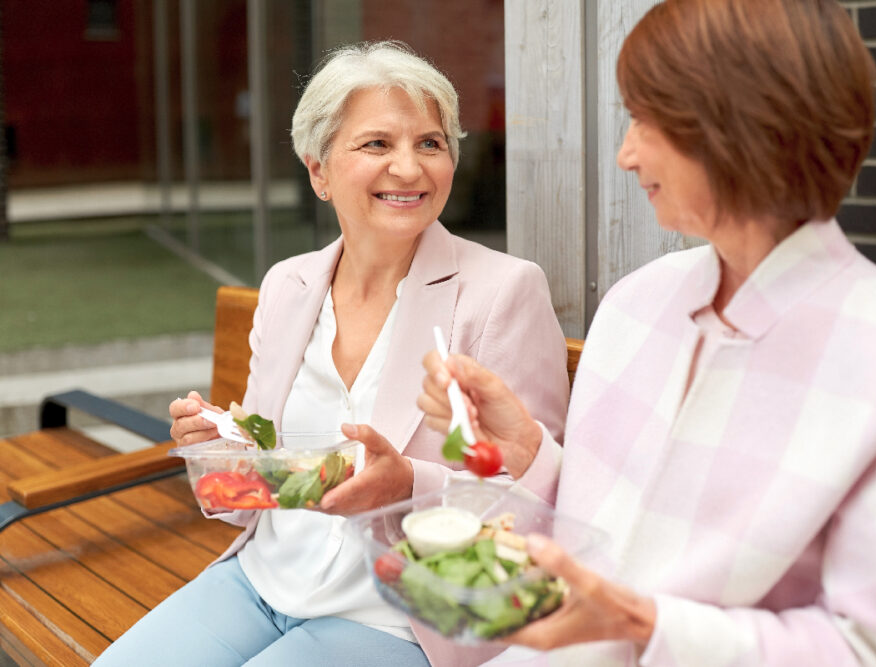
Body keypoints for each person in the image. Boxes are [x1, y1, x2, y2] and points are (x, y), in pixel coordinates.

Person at [419, 2, 876, 664]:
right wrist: (525, 452)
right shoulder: (639, 303)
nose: (625, 154)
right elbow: (611, 530)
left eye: (643, 120)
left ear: (737, 126)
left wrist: (645, 624)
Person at [94, 41, 569, 667]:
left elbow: (542, 499)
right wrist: (219, 441)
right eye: (377, 144)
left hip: (399, 613)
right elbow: (265, 466)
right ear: (318, 171)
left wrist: (409, 485)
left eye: (430, 143)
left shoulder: (502, 291)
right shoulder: (288, 285)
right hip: (260, 580)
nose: (409, 168)